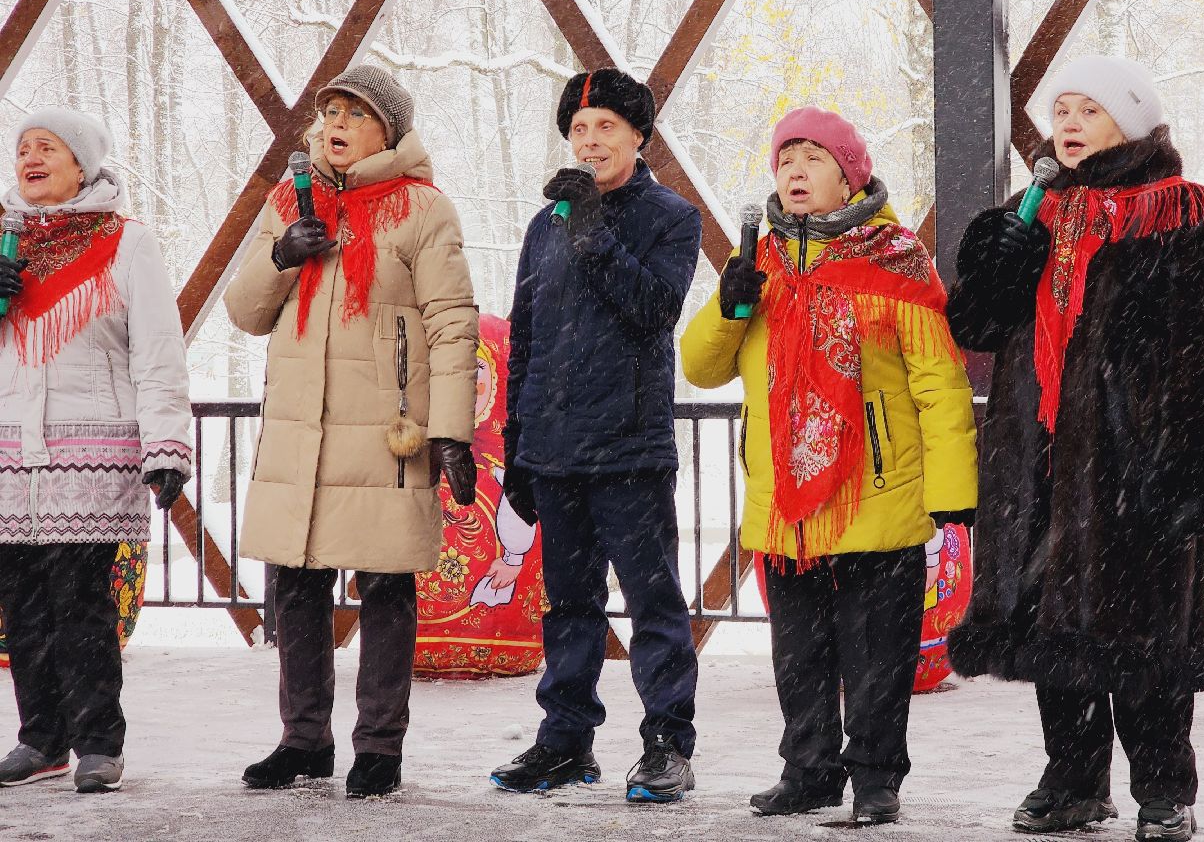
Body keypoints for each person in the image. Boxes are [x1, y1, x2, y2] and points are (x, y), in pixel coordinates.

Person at [947, 56, 1204, 842]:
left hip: (1135, 459)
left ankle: (1162, 786)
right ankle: (1073, 780)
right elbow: (974, 330)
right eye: (1062, 111)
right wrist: (993, 265)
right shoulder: (1031, 209)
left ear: (1133, 121)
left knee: (1145, 630)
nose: (1068, 124)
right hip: (1037, 454)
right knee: (1052, 630)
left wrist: (1191, 454)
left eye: (1088, 110)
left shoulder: (1178, 208)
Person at [680, 106, 978, 825]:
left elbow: (938, 382)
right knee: (799, 656)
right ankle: (808, 771)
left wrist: (952, 494)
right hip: (785, 502)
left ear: (850, 176)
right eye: (785, 161)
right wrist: (730, 306)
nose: (795, 173)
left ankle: (876, 780)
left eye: (812, 160)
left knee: (878, 661)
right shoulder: (757, 264)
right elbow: (700, 364)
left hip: (877, 493)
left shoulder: (895, 261)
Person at [225, 64, 478, 798]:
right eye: (330, 108)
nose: (335, 122)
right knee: (296, 587)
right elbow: (245, 313)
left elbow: (452, 322)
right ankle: (303, 740)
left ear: (388, 131)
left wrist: (451, 431)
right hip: (302, 434)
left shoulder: (423, 209)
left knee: (386, 587)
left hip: (383, 431)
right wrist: (281, 256)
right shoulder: (290, 200)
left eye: (355, 112)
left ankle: (378, 747)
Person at [489, 67, 702, 804]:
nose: (590, 141)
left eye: (605, 127)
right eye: (579, 130)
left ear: (638, 136)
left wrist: (591, 230)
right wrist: (518, 449)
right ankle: (564, 743)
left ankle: (667, 744)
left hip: (631, 449)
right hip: (554, 450)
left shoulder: (670, 216)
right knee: (569, 606)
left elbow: (653, 309)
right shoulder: (542, 226)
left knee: (654, 604)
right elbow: (529, 337)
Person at [0, 108, 193, 793]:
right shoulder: (3, 242)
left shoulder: (125, 242)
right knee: (20, 605)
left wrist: (167, 445)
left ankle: (97, 743)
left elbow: (158, 349)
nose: (31, 157)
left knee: (80, 600)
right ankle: (40, 738)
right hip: (11, 454)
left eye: (47, 147)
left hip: (93, 449)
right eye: (23, 148)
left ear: (82, 163)